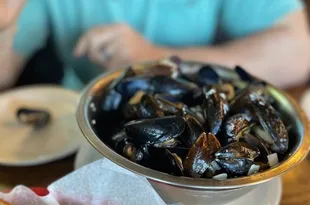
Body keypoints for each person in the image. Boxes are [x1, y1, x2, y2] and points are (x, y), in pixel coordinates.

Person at [0, 0, 309, 91]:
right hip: (78, 130)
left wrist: (154, 57)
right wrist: (6, 22)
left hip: (194, 123)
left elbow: (297, 52)